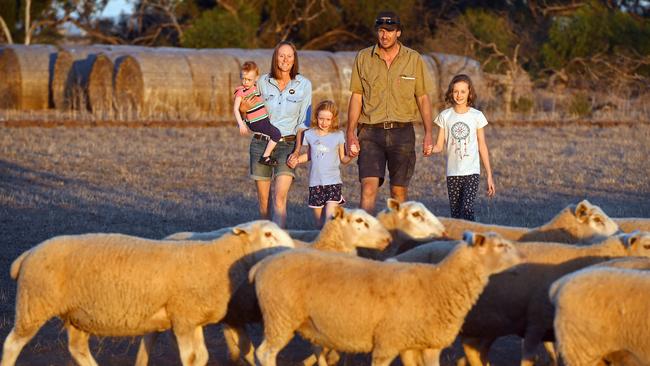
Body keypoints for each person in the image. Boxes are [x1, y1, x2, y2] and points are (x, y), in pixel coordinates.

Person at [346, 10, 435, 215]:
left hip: (402, 133)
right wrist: (350, 133)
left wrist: (429, 133)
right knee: (368, 188)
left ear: (399, 33)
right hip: (369, 133)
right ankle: (366, 240)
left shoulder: (413, 59)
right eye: (381, 30)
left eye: (390, 30)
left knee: (398, 193)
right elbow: (356, 97)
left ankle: (398, 240)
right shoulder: (363, 57)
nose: (385, 35)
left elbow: (422, 97)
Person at [239, 41, 312, 228]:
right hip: (261, 143)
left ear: (294, 59)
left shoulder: (304, 84)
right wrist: (243, 111)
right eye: (281, 55)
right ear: (275, 58)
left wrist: (297, 151)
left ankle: (280, 244)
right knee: (264, 204)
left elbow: (303, 122)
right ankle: (265, 243)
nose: (285, 59)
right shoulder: (262, 81)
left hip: (287, 145)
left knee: (279, 197)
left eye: (289, 56)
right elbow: (246, 107)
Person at [430, 74, 496, 221]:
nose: (459, 95)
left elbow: (482, 145)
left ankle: (471, 239)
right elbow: (439, 146)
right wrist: (430, 149)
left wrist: (489, 176)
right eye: (455, 91)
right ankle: (458, 242)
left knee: (467, 209)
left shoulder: (477, 116)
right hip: (452, 173)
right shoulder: (445, 116)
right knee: (456, 214)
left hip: (472, 171)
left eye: (463, 91)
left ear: (469, 93)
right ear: (451, 93)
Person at [288, 100, 352, 228]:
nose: (324, 122)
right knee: (319, 224)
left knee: (329, 218)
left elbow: (343, 159)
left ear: (333, 119)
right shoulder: (310, 134)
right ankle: (320, 244)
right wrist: (297, 160)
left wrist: (351, 155)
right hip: (315, 183)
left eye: (328, 119)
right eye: (321, 118)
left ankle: (331, 244)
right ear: (316, 117)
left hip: (333, 182)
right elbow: (310, 155)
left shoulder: (338, 135)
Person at [233, 61, 282, 166]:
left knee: (273, 132)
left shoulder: (256, 88)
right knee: (277, 134)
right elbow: (236, 109)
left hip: (262, 119)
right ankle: (265, 157)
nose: (245, 82)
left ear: (256, 78)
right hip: (256, 122)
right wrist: (241, 124)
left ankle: (269, 150)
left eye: (249, 79)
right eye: (243, 79)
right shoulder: (240, 92)